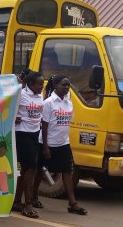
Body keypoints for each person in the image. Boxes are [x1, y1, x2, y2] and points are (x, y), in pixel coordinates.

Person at [38, 75, 86, 215]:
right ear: (56, 85)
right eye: (64, 85)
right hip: (48, 143)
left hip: (63, 143)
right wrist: (46, 147)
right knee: (38, 172)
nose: (67, 87)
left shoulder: (69, 102)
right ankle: (32, 198)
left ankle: (72, 203)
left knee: (66, 173)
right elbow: (44, 126)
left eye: (68, 85)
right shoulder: (49, 103)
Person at [13, 70, 45, 217]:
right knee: (31, 168)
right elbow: (6, 107)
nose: (41, 87)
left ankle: (16, 201)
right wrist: (13, 119)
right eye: (39, 84)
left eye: (43, 84)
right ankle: (28, 204)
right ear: (30, 84)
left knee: (25, 169)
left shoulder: (40, 95)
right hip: (22, 134)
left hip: (34, 135)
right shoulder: (20, 93)